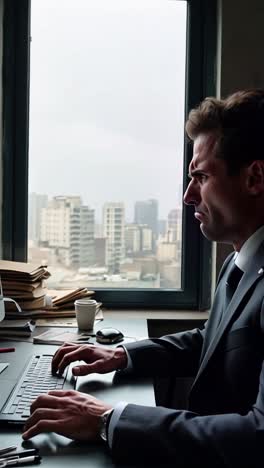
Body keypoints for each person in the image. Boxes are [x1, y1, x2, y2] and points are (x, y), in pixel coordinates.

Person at [23, 89, 264, 467]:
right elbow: (216, 342)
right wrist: (122, 355)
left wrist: (107, 420)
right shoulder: (240, 262)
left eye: (200, 176)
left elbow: (258, 437)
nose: (188, 196)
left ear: (254, 178)